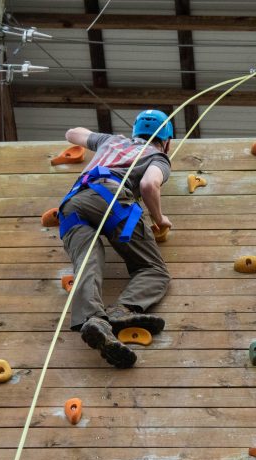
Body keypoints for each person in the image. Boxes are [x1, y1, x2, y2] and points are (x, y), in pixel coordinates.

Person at [59, 109, 173, 369]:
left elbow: (72, 134)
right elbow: (148, 185)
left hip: (72, 205)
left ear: (134, 132)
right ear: (167, 141)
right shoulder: (159, 156)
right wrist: (159, 218)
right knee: (153, 270)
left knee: (88, 263)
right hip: (113, 199)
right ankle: (124, 310)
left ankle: (94, 320)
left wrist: (106, 138)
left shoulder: (111, 141)